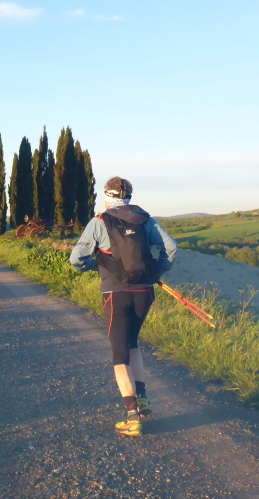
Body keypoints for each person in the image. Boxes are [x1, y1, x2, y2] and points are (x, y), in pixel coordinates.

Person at [69, 176, 178, 437]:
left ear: (107, 195)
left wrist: (97, 266)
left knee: (119, 354)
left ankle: (132, 417)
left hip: (115, 293)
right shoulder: (145, 219)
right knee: (132, 344)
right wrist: (156, 271)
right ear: (129, 196)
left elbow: (76, 259)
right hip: (144, 291)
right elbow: (171, 248)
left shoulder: (99, 221)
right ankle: (142, 398)